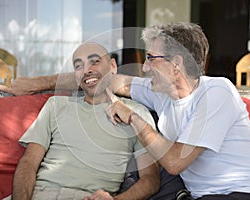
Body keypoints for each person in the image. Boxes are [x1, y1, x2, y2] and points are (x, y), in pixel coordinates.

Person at [0, 22, 250, 200]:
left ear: (176, 64)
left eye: (151, 59)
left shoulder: (216, 92)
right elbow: (101, 79)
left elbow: (174, 162)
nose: (144, 67)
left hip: (244, 193)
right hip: (199, 195)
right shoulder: (160, 93)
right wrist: (36, 83)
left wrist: (132, 117)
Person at [9, 42, 160, 200]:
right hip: (39, 193)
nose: (87, 70)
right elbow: (28, 163)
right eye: (78, 66)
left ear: (113, 66)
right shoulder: (56, 105)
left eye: (94, 61)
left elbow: (151, 179)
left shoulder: (135, 114)